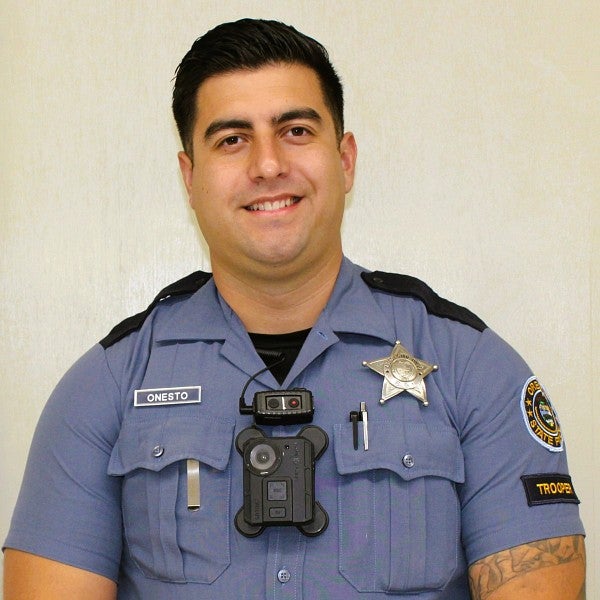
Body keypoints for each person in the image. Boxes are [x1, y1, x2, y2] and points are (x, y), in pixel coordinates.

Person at [3, 18, 586, 600]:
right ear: (190, 177)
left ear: (346, 158)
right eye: (232, 139)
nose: (267, 165)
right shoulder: (106, 385)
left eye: (296, 131)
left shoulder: (473, 368)